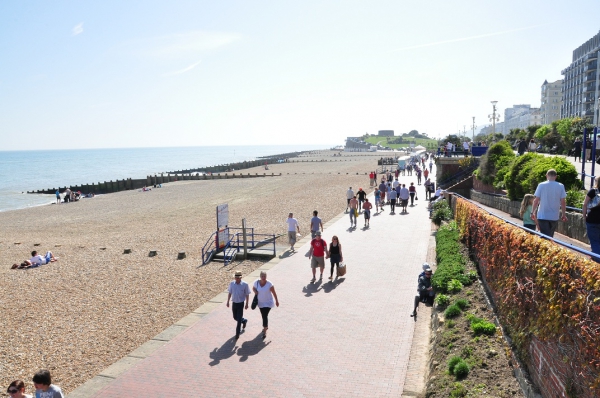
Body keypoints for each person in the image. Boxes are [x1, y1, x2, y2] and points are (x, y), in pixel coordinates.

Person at [531, 169, 567, 238]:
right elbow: (563, 202)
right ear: (556, 176)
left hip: (542, 215)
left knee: (544, 236)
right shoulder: (561, 186)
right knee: (550, 236)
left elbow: (536, 200)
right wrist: (563, 214)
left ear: (546, 176)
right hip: (554, 216)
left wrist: (532, 212)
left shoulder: (541, 185)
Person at [252, 271, 279, 339]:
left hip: (268, 302)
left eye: (264, 276)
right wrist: (255, 291)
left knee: (264, 315)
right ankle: (265, 326)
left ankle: (265, 329)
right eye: (262, 276)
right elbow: (253, 288)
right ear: (260, 276)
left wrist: (276, 301)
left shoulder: (269, 284)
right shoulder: (257, 282)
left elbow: (274, 292)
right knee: (263, 315)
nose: (263, 277)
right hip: (260, 302)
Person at [226, 271, 251, 340]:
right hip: (234, 303)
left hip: (241, 303)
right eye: (236, 278)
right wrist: (228, 301)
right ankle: (244, 321)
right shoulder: (232, 284)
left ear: (241, 278)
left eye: (238, 278)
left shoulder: (245, 284)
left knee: (239, 319)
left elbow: (247, 294)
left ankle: (237, 333)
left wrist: (246, 304)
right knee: (235, 317)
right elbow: (230, 292)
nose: (237, 279)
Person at [582, 177, 600, 261]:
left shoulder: (593, 191)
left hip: (592, 219)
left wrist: (584, 215)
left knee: (594, 240)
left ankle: (597, 260)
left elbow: (585, 204)